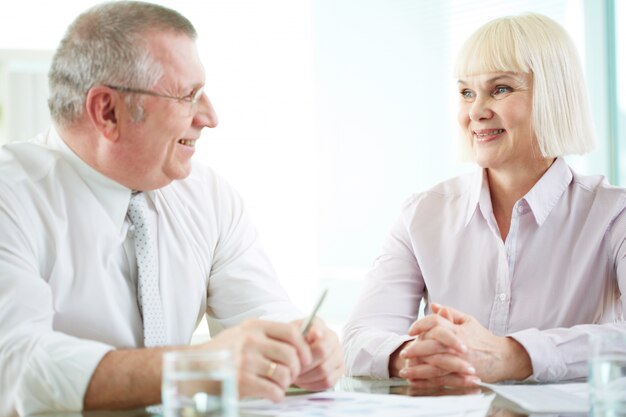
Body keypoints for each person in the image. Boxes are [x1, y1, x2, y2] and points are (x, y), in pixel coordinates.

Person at [0, 1, 343, 414]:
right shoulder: (11, 196)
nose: (210, 116)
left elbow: (262, 314)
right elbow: (15, 365)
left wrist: (305, 349)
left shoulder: (208, 194)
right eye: (187, 95)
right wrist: (198, 366)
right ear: (107, 111)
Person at [343, 13, 626, 388]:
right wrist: (412, 357)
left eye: (501, 89)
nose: (476, 111)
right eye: (466, 93)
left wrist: (512, 355)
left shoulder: (614, 214)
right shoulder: (422, 213)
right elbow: (360, 336)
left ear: (554, 95)